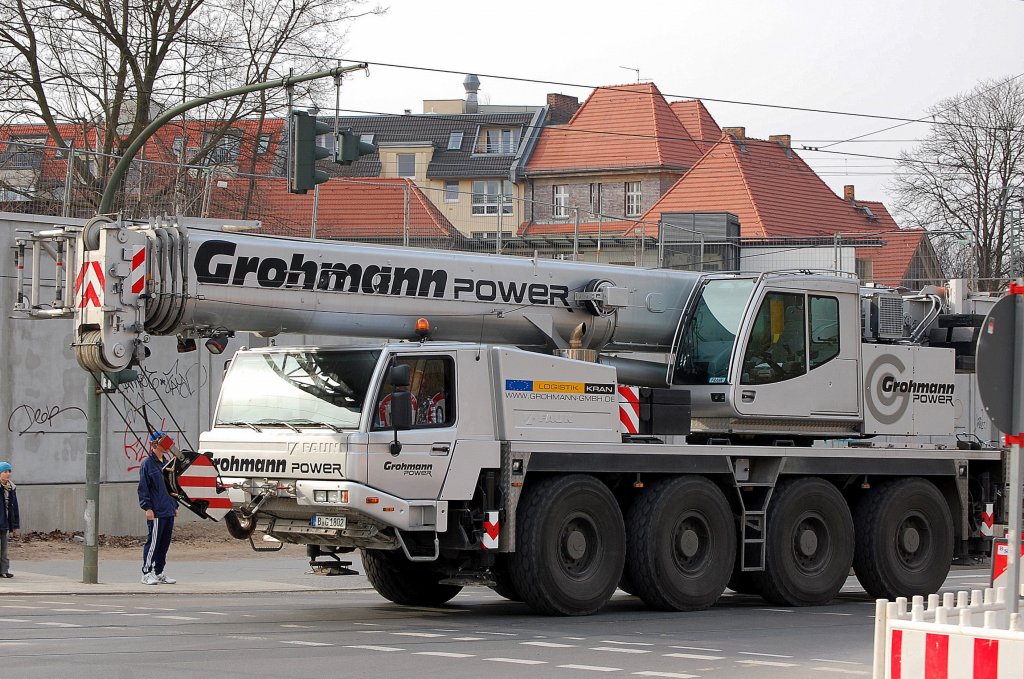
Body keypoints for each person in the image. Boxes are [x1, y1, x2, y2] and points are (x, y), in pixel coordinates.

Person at [138, 433, 178, 585]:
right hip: (156, 511)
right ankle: (146, 572)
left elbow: (172, 486)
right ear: (155, 445)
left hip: (168, 509)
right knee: (153, 542)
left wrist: (175, 505)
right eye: (166, 444)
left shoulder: (166, 463)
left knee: (164, 543)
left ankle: (159, 571)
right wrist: (147, 508)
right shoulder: (147, 464)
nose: (168, 447)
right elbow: (144, 488)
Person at [0, 460, 19, 578]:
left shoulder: (11, 488)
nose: (8, 474)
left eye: (9, 471)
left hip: (5, 523)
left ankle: (4, 570)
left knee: (4, 549)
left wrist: (15, 525)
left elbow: (14, 508)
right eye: (5, 471)